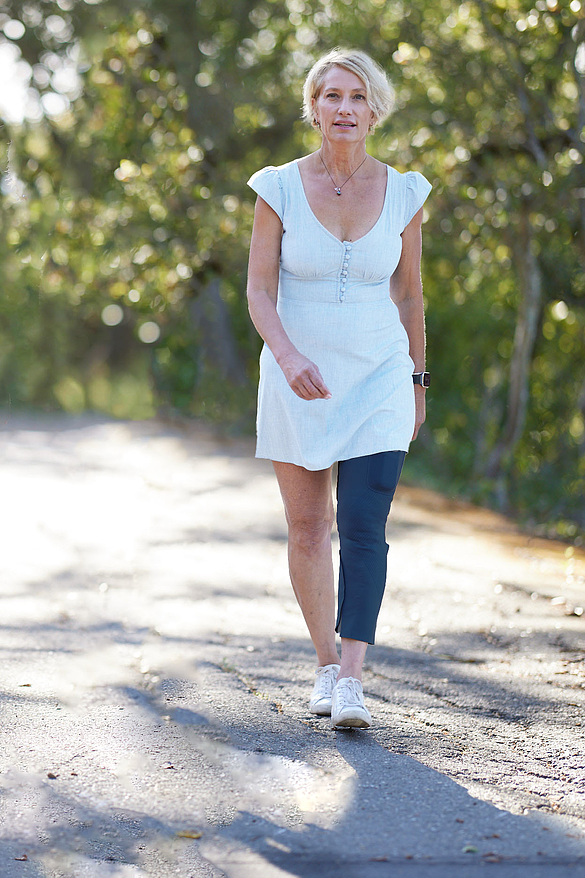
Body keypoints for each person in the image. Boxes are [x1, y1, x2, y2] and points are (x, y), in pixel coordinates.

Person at [244, 48, 430, 729]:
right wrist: (287, 354)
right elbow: (259, 289)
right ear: (314, 108)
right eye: (331, 96)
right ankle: (325, 663)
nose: (343, 108)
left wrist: (417, 380)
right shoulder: (279, 187)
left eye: (356, 97)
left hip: (380, 375)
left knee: (362, 525)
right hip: (300, 375)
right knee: (306, 528)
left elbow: (410, 297)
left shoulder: (407, 192)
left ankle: (352, 681)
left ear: (374, 110)